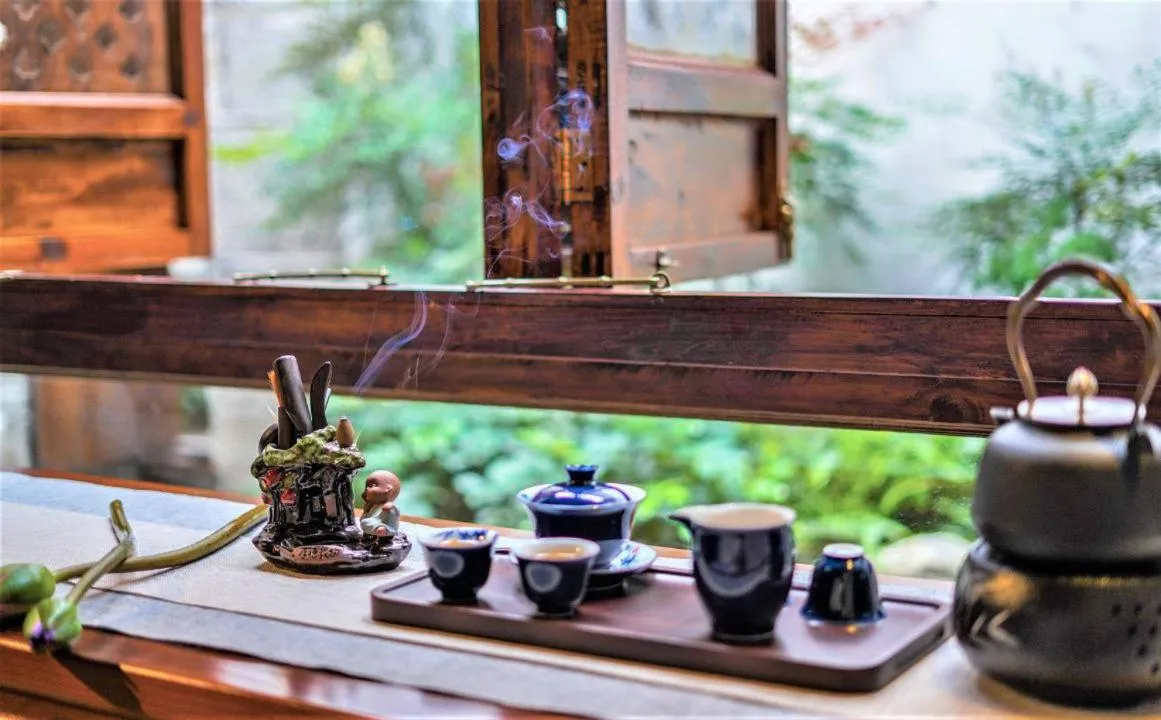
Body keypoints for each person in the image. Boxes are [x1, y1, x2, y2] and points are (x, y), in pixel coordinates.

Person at [360, 470, 402, 541]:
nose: (367, 489)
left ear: (388, 489)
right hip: (374, 523)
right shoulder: (374, 505)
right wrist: (366, 510)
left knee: (365, 522)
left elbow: (393, 510)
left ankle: (385, 530)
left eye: (372, 486)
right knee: (364, 522)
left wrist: (389, 505)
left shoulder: (389, 505)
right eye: (366, 487)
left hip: (386, 525)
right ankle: (376, 531)